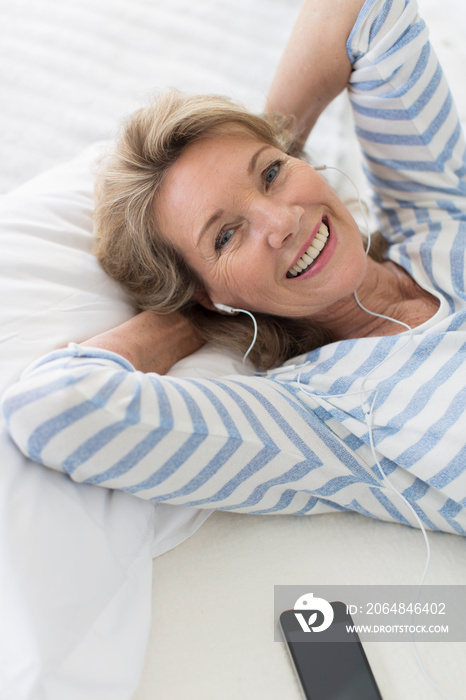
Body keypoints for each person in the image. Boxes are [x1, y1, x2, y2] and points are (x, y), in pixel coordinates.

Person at [3, 0, 466, 536]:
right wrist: (186, 322)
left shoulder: (436, 218)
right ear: (208, 293)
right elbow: (56, 409)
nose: (281, 222)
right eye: (226, 235)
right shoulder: (323, 417)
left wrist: (276, 135)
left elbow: (362, 13)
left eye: (271, 174)